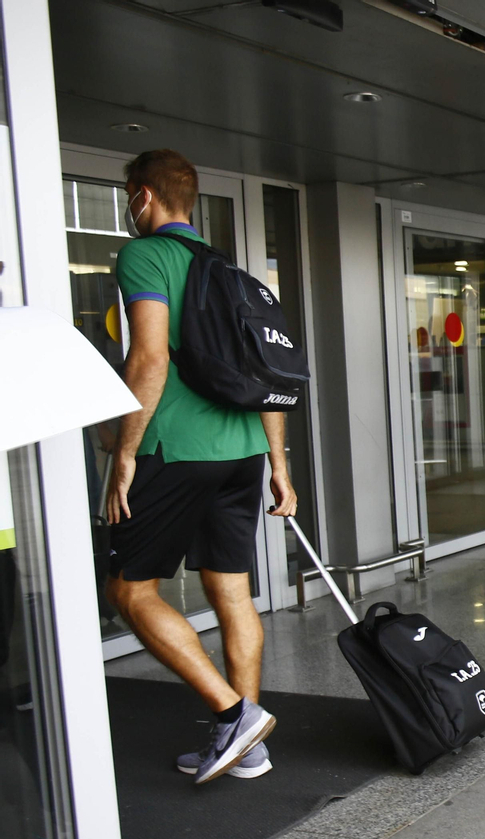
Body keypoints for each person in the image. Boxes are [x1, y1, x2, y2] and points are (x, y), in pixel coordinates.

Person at [106, 150, 291, 784]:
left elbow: (149, 358)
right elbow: (268, 376)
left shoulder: (145, 255)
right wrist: (278, 463)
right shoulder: (228, 270)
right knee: (231, 591)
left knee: (131, 591)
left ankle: (235, 715)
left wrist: (124, 452)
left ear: (143, 196)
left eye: (129, 197)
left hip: (175, 450)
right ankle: (248, 747)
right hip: (241, 452)